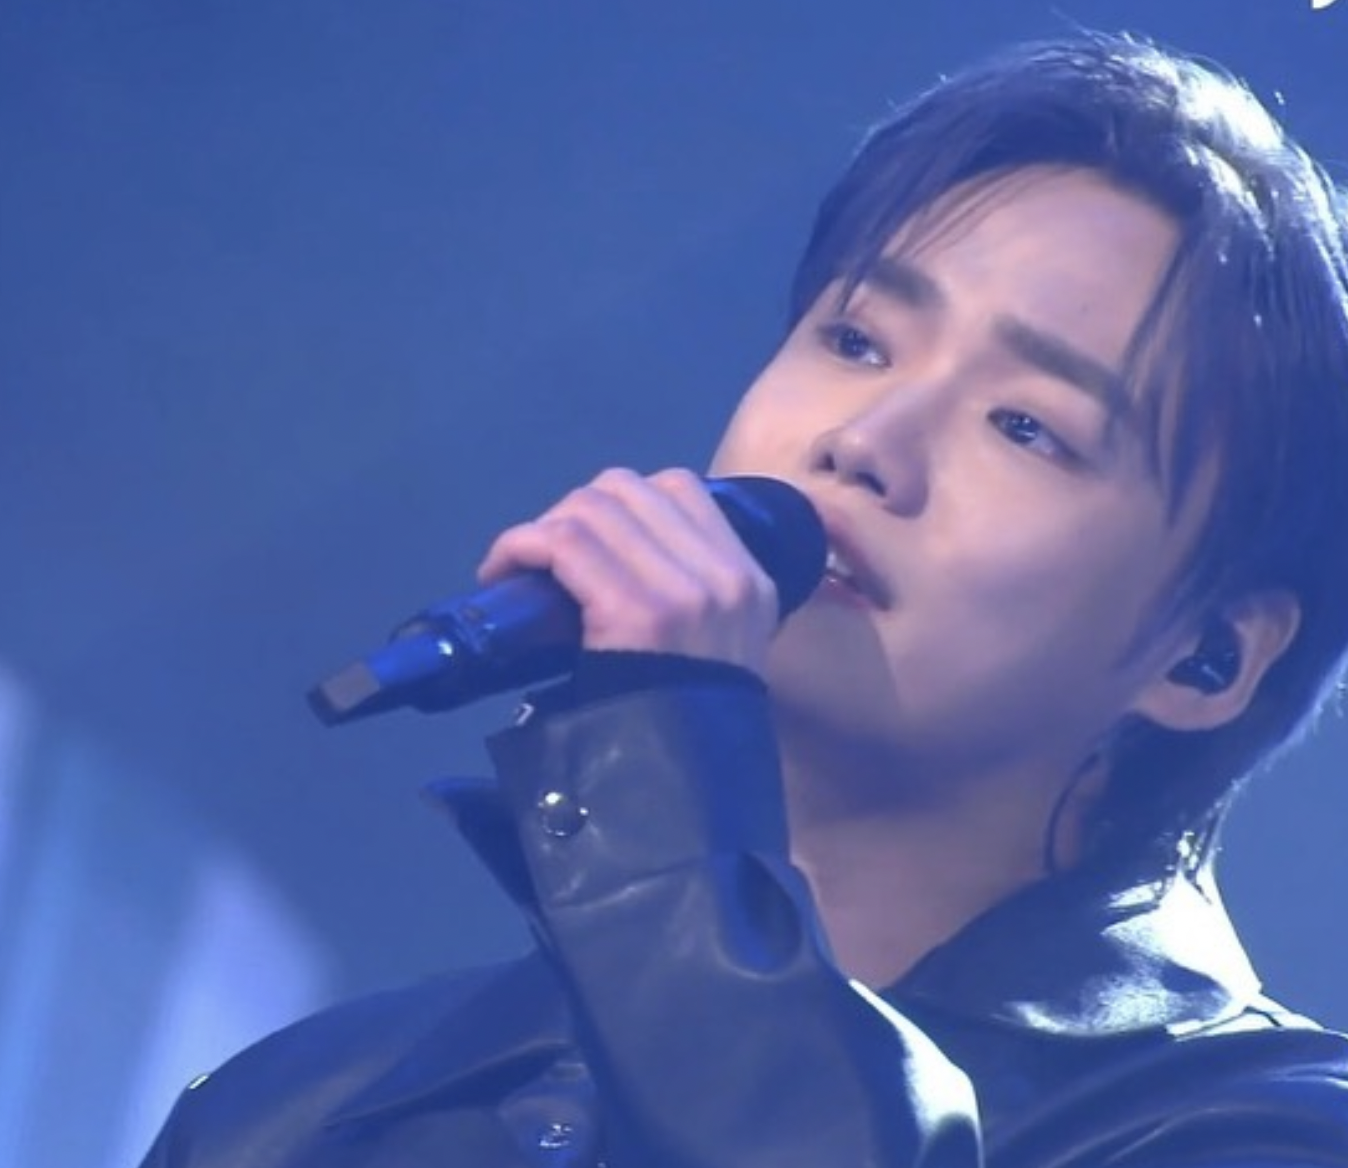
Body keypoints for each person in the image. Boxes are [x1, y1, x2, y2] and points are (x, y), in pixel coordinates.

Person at [138, 31, 1348, 1168]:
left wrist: (654, 793)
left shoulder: (1267, 1131)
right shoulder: (308, 1111)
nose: (865, 441)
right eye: (858, 341)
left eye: (1026, 425)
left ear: (1207, 656)